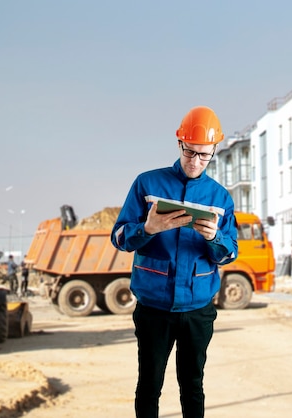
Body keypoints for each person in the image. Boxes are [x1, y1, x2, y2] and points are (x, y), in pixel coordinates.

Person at [111, 105, 238, 418]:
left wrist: (214, 238)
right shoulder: (147, 185)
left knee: (192, 385)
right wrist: (147, 229)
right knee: (149, 385)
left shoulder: (220, 198)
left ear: (214, 150)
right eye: (190, 152)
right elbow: (119, 237)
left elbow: (230, 252)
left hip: (198, 311)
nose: (195, 162)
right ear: (179, 143)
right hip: (154, 308)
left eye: (204, 155)